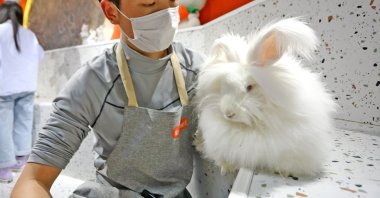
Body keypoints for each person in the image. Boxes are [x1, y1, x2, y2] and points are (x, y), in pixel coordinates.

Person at [12, 0, 205, 197]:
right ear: (112, 12)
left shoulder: (199, 72)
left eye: (172, 0)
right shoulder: (93, 82)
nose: (167, 12)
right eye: (149, 3)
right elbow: (33, 180)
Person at [0, 1, 44, 183]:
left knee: (3, 126)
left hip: (4, 87)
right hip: (27, 86)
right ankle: (20, 161)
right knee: (23, 123)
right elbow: (40, 55)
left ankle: (4, 169)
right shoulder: (30, 35)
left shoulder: (0, 31)